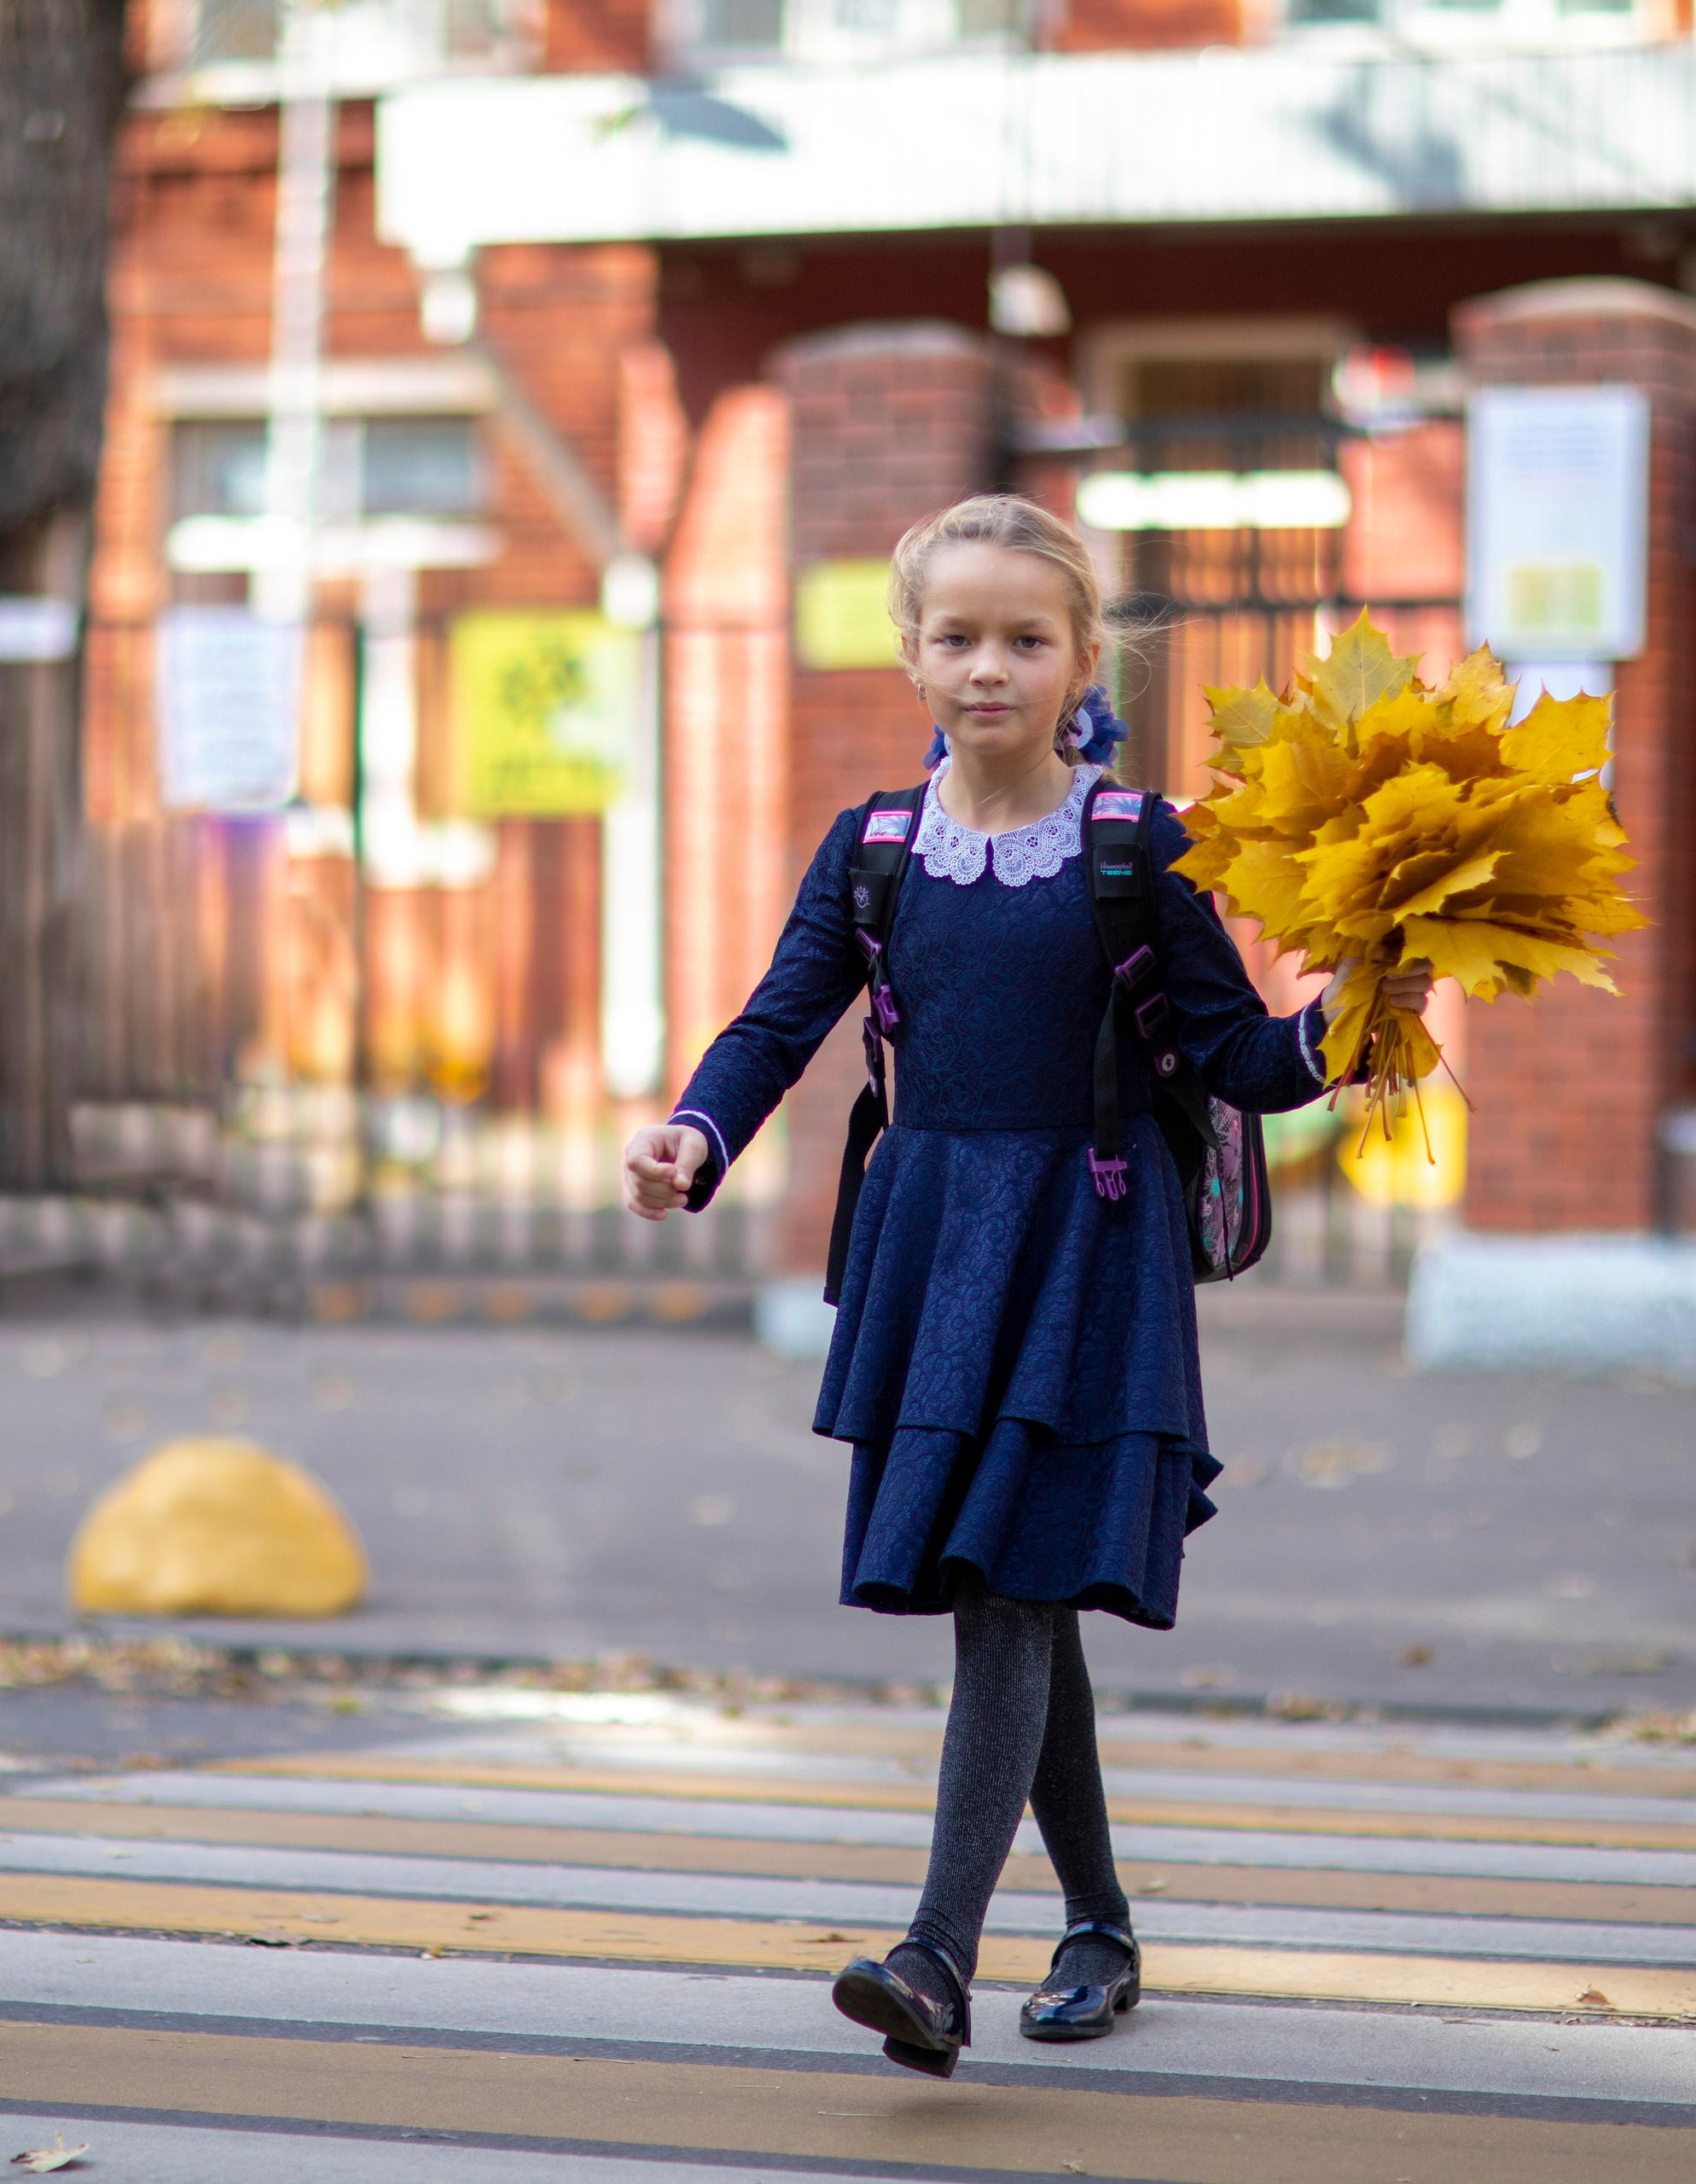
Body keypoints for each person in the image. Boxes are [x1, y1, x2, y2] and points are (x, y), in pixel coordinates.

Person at [621, 493, 1432, 2078]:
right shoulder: (873, 849)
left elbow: (1234, 1056)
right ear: (912, 655)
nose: (989, 665)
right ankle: (1103, 1923)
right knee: (1016, 1591)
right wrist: (691, 1135)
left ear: (1079, 661)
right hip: (931, 1251)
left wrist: (1356, 1007)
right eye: (959, 636)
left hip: (1091, 1253)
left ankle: (935, 1954)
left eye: (1026, 638)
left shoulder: (1139, 845)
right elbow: (779, 1022)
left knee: (1009, 1591)